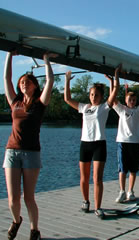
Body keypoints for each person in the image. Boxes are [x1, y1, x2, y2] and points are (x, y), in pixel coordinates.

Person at [3, 51, 56, 240]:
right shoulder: (15, 102)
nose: (24, 83)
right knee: (13, 199)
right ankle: (17, 221)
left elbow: (50, 80)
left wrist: (47, 60)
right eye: (22, 81)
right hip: (11, 152)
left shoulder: (40, 103)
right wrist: (9, 54)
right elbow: (6, 77)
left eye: (28, 81)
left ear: (34, 86)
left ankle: (35, 230)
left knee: (28, 197)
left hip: (31, 154)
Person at [64, 66, 120, 219]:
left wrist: (115, 77)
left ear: (101, 97)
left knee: (97, 178)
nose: (93, 97)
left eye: (96, 95)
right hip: (85, 144)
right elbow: (67, 99)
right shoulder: (84, 107)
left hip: (99, 145)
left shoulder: (104, 107)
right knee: (83, 177)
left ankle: (98, 207)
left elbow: (114, 93)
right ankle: (85, 201)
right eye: (91, 94)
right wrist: (67, 81)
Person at [107, 75, 139, 203]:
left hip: (135, 143)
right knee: (122, 169)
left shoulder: (138, 111)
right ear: (126, 100)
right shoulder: (121, 109)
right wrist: (111, 82)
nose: (132, 101)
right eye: (130, 99)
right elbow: (112, 98)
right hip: (123, 142)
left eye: (134, 99)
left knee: (133, 169)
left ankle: (130, 191)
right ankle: (122, 191)